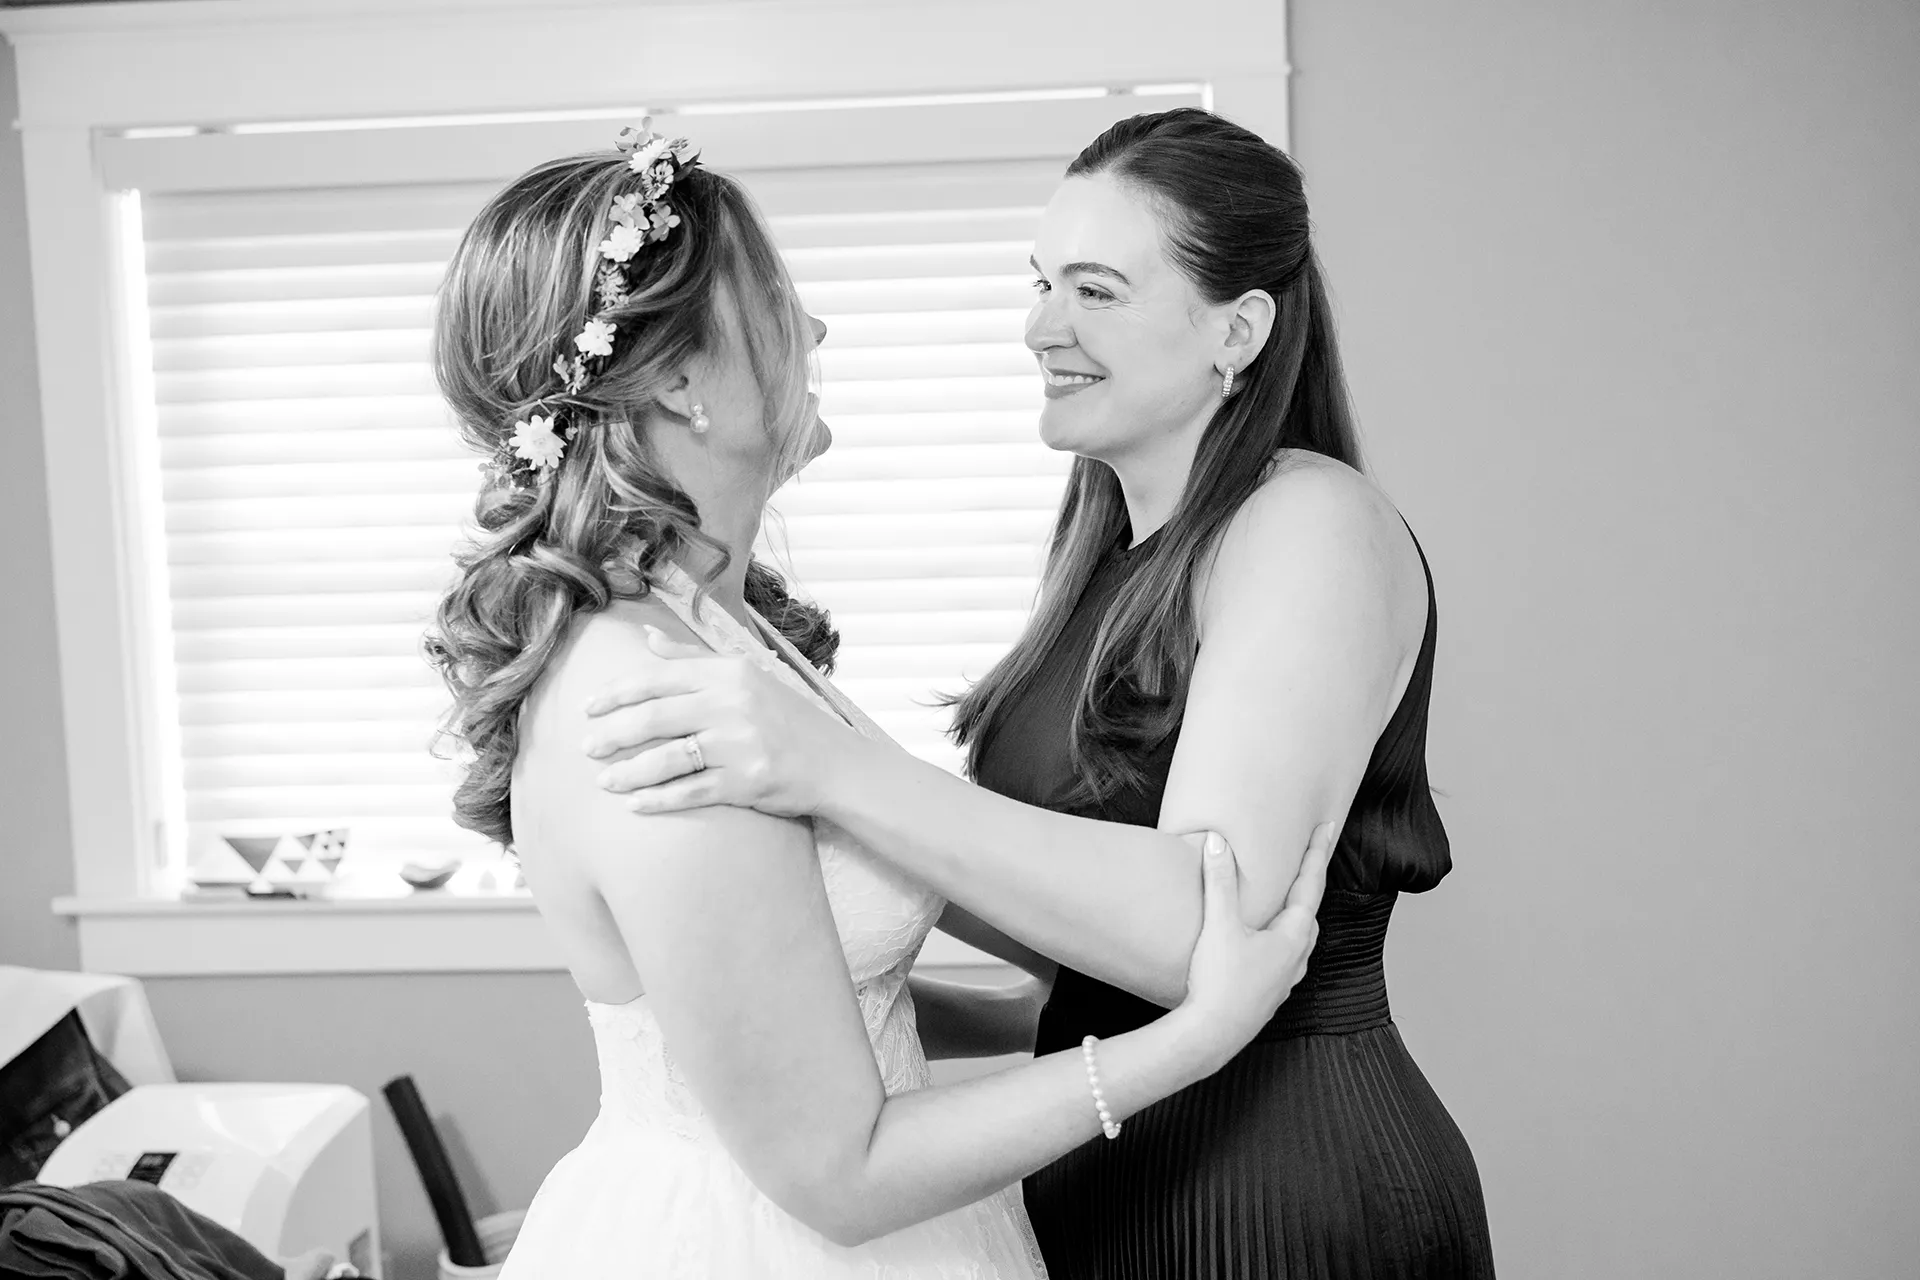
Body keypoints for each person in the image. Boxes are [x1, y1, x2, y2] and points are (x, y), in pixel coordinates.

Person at [579, 108, 1497, 1278]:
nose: (1040, 326)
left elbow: (1199, 924)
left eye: (1097, 290)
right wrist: (860, 977)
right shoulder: (1108, 551)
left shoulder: (1309, 521)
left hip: (1275, 1178)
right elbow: (1068, 913)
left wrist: (839, 772)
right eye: (1041, 283)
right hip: (1097, 1156)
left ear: (1241, 327)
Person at [423, 122, 1335, 1279]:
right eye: (774, 301)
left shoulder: (722, 632)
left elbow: (807, 979)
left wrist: (1015, 1019)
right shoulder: (653, 694)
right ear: (681, 380)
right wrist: (1192, 1041)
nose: (812, 330)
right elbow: (839, 1171)